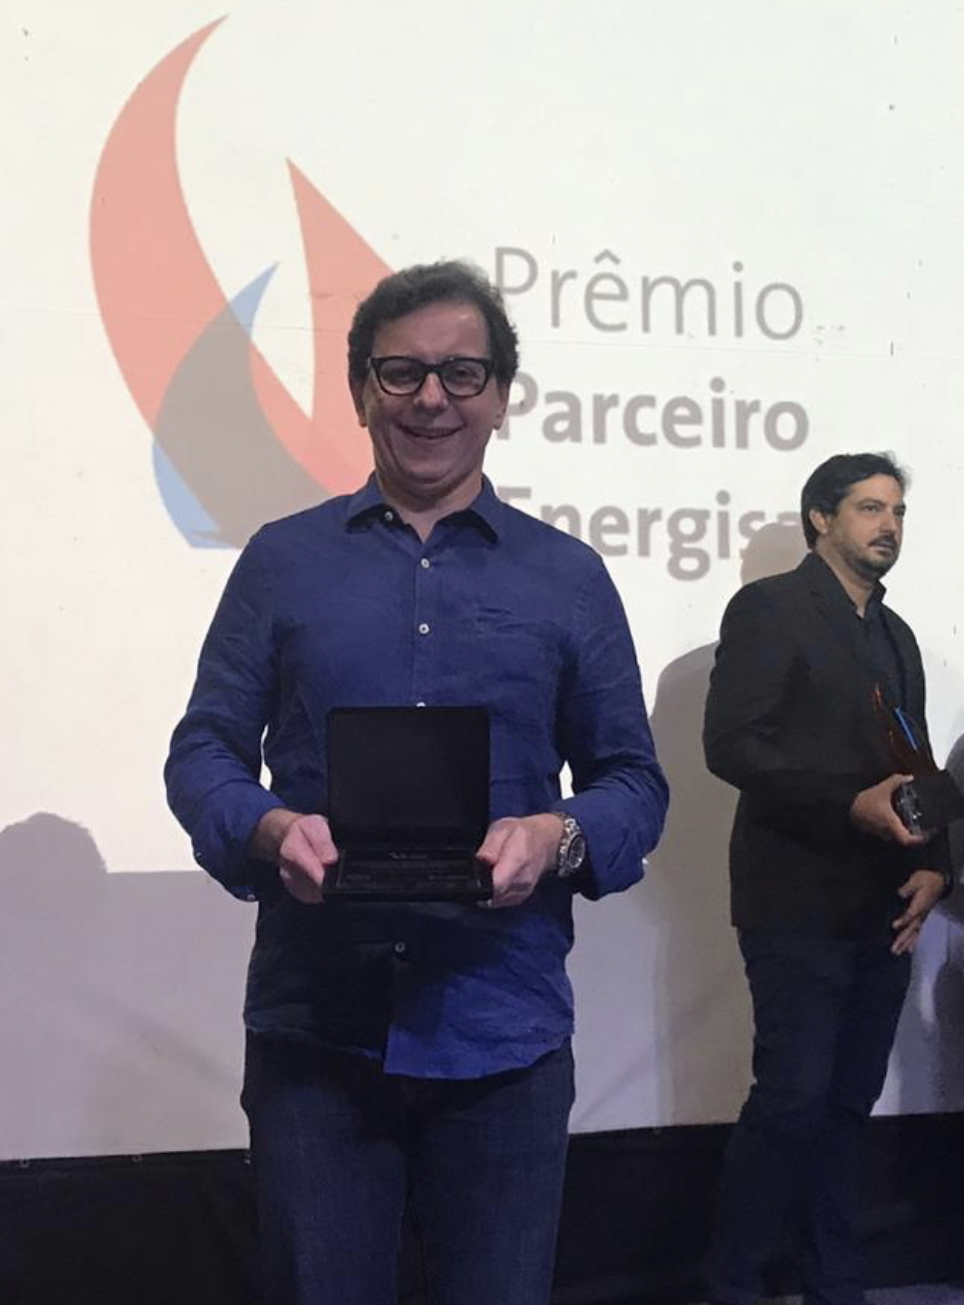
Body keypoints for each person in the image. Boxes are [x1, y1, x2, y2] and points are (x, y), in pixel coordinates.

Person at [165, 260, 667, 1305]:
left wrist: (558, 836)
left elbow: (631, 781)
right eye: (400, 373)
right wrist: (266, 826)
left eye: (460, 373)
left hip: (505, 1030)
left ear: (501, 396)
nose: (430, 398)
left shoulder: (568, 577)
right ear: (360, 393)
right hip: (317, 1034)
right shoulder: (282, 563)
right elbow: (203, 750)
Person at [702, 452, 954, 1305]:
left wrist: (936, 864)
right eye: (868, 508)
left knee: (845, 1106)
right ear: (819, 517)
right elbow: (731, 744)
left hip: (883, 905)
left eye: (896, 511)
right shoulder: (769, 608)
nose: (888, 525)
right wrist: (848, 801)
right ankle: (733, 1285)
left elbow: (915, 762)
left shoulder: (895, 632)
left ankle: (831, 1282)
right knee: (791, 1101)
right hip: (795, 898)